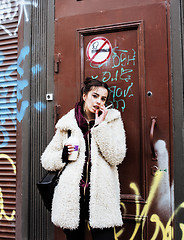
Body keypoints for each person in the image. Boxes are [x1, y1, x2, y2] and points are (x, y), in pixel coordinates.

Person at [41, 77, 126, 240]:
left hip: (101, 197)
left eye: (103, 99)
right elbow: (46, 159)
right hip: (72, 198)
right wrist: (63, 156)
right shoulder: (67, 124)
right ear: (84, 96)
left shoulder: (112, 120)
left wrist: (100, 127)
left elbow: (117, 157)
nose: (99, 101)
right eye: (95, 96)